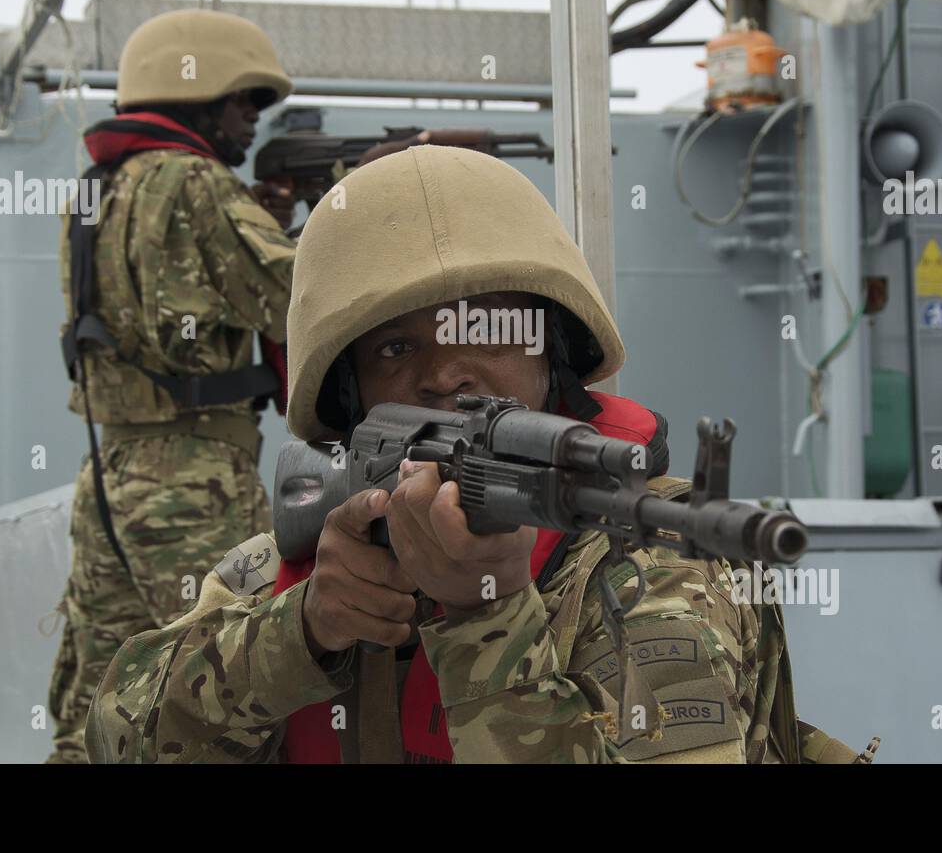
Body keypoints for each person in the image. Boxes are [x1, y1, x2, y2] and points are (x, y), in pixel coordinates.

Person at [84, 145, 872, 764]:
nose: (445, 371)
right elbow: (119, 740)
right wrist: (306, 628)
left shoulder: (655, 568)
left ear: (549, 356)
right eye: (396, 347)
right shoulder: (289, 572)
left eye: (487, 330)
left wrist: (483, 615)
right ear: (350, 396)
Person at [45, 8, 299, 763]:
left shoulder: (95, 188)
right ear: (199, 92)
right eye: (242, 101)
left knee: (99, 700)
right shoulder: (195, 181)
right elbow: (296, 299)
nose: (252, 121)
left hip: (111, 480)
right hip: (193, 484)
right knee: (220, 696)